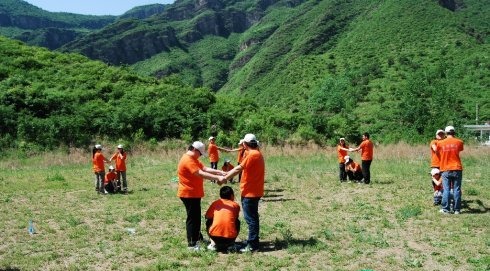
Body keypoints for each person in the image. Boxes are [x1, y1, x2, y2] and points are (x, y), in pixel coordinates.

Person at [177, 141, 226, 250]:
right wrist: (217, 178)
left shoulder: (193, 159)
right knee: (192, 219)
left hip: (193, 193)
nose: (200, 156)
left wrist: (219, 172)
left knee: (196, 217)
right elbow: (200, 173)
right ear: (194, 150)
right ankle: (192, 244)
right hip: (188, 194)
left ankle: (197, 237)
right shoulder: (187, 160)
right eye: (200, 154)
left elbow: (204, 169)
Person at [219, 134, 264, 253]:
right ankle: (252, 241)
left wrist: (225, 178)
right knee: (252, 218)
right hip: (252, 190)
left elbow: (239, 168)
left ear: (245, 144)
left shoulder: (253, 154)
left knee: (251, 219)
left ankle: (253, 245)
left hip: (251, 192)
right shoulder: (255, 153)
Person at [436, 126, 464, 214]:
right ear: (454, 132)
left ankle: (446, 209)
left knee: (446, 189)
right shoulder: (459, 142)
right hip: (457, 168)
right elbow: (460, 150)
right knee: (457, 189)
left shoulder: (440, 143)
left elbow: (437, 152)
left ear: (445, 133)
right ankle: (457, 210)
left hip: (445, 168)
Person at [205, 186, 241, 252]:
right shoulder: (235, 205)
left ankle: (213, 244)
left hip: (215, 237)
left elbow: (207, 216)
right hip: (229, 238)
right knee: (237, 222)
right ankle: (231, 244)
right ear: (232, 195)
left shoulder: (215, 203)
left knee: (209, 221)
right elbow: (235, 218)